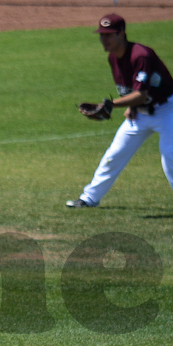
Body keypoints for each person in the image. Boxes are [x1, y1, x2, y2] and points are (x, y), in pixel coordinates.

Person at [67, 14, 173, 208]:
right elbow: (133, 89)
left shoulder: (141, 55)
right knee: (114, 155)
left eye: (108, 35)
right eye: (101, 35)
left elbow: (140, 93)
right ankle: (88, 198)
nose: (103, 40)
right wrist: (131, 107)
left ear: (121, 34)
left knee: (170, 156)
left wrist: (111, 104)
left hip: (167, 109)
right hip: (140, 114)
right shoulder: (113, 57)